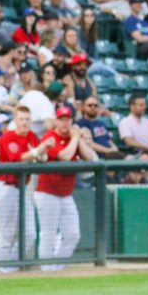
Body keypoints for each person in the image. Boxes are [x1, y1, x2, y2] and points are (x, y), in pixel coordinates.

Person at [0, 105, 54, 273]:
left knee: (30, 234)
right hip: (5, 187)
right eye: (21, 119)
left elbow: (40, 156)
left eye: (27, 119)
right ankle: (1, 270)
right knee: (7, 233)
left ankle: (9, 268)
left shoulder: (32, 136)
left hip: (22, 188)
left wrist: (44, 151)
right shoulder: (8, 137)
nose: (24, 122)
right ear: (15, 121)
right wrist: (40, 150)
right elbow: (19, 159)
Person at [34, 107, 96, 271]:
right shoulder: (50, 137)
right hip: (47, 192)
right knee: (49, 233)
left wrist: (78, 139)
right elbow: (64, 157)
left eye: (68, 119)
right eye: (61, 119)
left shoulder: (72, 137)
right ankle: (46, 269)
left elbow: (90, 158)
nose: (65, 122)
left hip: (66, 194)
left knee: (73, 234)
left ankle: (56, 267)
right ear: (56, 121)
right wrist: (75, 138)